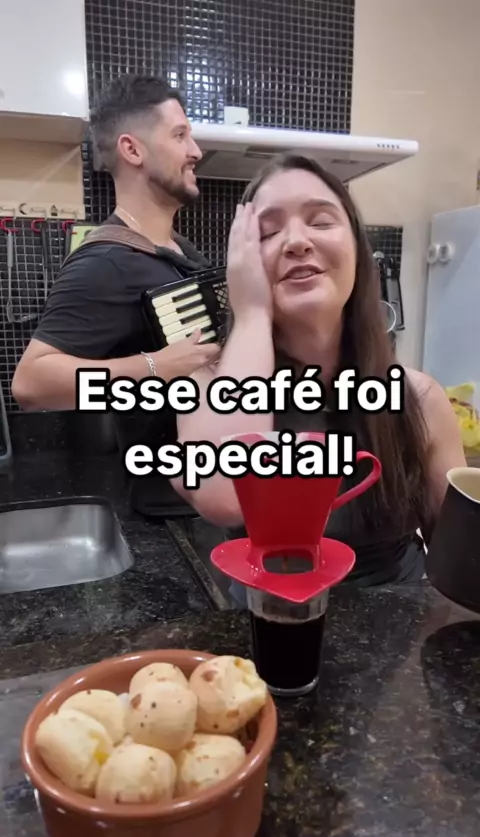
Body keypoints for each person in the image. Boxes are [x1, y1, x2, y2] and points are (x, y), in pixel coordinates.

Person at [170, 152, 466, 587]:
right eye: (269, 231)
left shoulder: (418, 399)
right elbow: (226, 495)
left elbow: (459, 563)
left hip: (399, 623)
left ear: (358, 252)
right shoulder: (204, 386)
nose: (296, 242)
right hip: (267, 621)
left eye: (321, 222)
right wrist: (251, 315)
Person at [11, 74, 220, 517]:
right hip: (171, 513)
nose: (196, 151)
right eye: (180, 135)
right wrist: (155, 366)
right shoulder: (106, 260)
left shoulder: (181, 251)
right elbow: (31, 384)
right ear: (132, 150)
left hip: (214, 493)